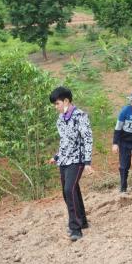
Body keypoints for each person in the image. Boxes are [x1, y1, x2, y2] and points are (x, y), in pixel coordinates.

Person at [48, 87, 93, 241]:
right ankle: (83, 221)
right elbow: (64, 141)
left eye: (57, 103)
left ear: (66, 101)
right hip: (64, 160)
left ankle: (75, 228)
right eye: (54, 104)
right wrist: (57, 156)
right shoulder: (60, 119)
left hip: (77, 160)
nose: (56, 107)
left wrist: (87, 161)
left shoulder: (80, 116)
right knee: (71, 191)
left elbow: (87, 139)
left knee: (69, 190)